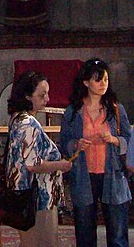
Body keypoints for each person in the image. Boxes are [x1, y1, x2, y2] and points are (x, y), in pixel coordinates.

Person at [60, 58, 131, 247]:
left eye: (106, 80)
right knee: (84, 232)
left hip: (113, 175)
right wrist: (76, 145)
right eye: (98, 80)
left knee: (117, 234)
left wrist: (114, 140)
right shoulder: (73, 111)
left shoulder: (116, 109)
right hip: (84, 175)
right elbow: (64, 141)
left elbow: (128, 139)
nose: (103, 84)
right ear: (85, 82)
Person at [5, 71, 72, 247]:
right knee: (42, 242)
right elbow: (32, 165)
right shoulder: (28, 123)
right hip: (37, 197)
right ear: (27, 96)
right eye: (42, 95)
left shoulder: (17, 119)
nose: (47, 99)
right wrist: (61, 165)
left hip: (29, 194)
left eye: (47, 93)